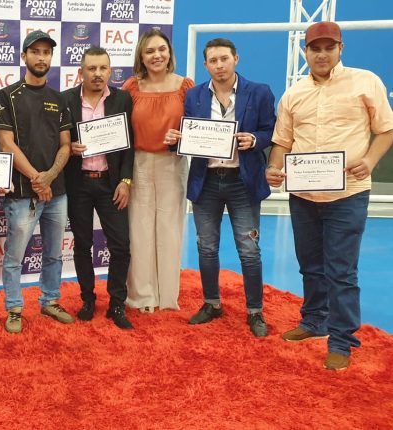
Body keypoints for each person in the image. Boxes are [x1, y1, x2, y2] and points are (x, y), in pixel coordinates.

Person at [266, 21, 393, 370]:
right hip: (303, 194)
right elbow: (282, 142)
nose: (321, 54)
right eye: (315, 48)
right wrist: (273, 168)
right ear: (305, 52)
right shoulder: (293, 94)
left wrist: (370, 161)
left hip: (348, 193)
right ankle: (314, 321)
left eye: (329, 47)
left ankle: (341, 340)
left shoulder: (366, 82)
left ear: (341, 49)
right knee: (310, 264)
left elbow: (386, 130)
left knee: (341, 270)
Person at [167, 38, 276, 337]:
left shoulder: (260, 91)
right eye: (213, 61)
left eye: (224, 59)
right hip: (206, 181)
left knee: (249, 249)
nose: (219, 65)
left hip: (243, 181)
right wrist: (178, 140)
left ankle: (255, 311)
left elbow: (271, 130)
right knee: (206, 247)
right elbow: (191, 133)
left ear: (235, 59)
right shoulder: (195, 95)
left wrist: (255, 139)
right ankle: (211, 303)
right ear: (205, 65)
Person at [0, 30, 74, 333]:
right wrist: (37, 180)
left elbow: (66, 145)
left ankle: (50, 300)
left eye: (46, 52)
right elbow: (6, 144)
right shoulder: (7, 96)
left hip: (57, 192)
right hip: (22, 194)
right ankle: (14, 308)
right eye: (35, 51)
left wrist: (50, 176)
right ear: (24, 56)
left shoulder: (59, 99)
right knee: (14, 256)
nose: (41, 57)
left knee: (54, 253)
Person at [61, 46, 134, 330]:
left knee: (121, 246)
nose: (97, 74)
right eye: (91, 68)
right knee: (82, 245)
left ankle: (116, 303)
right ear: (81, 72)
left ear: (110, 71)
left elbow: (130, 146)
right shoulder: (66, 99)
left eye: (103, 68)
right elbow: (56, 140)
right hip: (78, 183)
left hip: (110, 183)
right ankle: (88, 299)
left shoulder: (122, 99)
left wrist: (126, 181)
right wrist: (69, 148)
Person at [122, 29, 193, 312]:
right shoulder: (131, 87)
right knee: (139, 229)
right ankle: (141, 296)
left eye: (161, 49)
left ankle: (167, 297)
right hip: (138, 162)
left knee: (170, 228)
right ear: (141, 56)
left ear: (170, 53)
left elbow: (198, 128)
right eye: (149, 51)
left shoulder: (185, 86)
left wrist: (184, 138)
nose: (156, 55)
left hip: (172, 163)